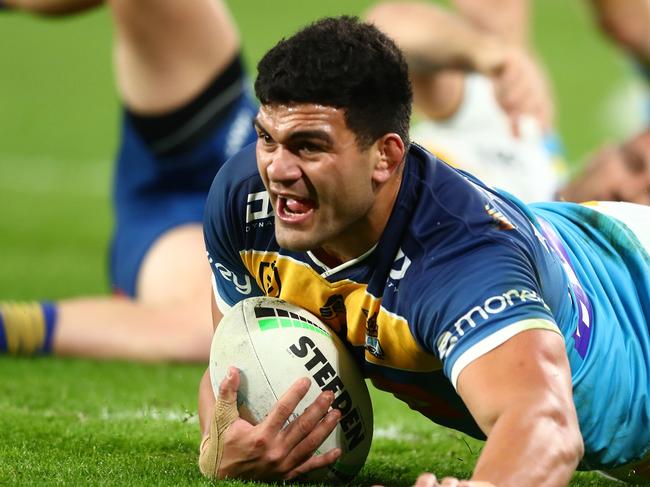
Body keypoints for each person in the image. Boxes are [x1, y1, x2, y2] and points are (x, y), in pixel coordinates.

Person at [197, 16, 650, 486]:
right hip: (578, 244)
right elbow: (233, 363)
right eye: (268, 138)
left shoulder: (461, 262)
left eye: (309, 147)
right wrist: (220, 444)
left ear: (386, 157)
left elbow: (547, 426)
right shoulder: (246, 202)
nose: (278, 170)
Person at [0, 0, 257, 361]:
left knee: (224, 322)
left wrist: (10, 326)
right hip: (233, 136)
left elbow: (202, 329)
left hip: (179, 211)